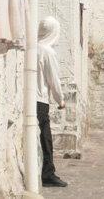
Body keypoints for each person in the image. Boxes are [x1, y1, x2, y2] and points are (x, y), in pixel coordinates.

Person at [37, 16, 67, 188]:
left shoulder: (31, 48)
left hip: (29, 100)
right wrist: (60, 100)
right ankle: (47, 174)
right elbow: (53, 80)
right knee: (45, 139)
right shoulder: (47, 52)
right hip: (40, 100)